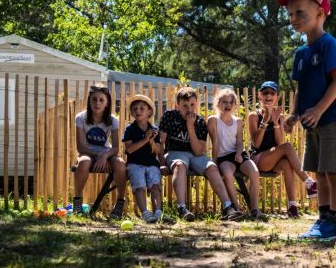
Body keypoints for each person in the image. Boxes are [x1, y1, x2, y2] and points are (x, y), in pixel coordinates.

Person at [279, 0, 336, 240]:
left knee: (333, 171)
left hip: (334, 118)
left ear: (320, 13)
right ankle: (323, 221)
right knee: (319, 172)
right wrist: (294, 114)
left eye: (299, 12)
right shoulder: (300, 53)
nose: (293, 19)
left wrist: (320, 109)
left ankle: (335, 222)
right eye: (290, 15)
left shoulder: (328, 44)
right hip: (314, 123)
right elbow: (302, 88)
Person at [159, 86, 244, 221]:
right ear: (177, 105)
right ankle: (182, 208)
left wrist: (190, 127)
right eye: (185, 106)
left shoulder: (199, 122)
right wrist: (162, 163)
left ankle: (228, 207)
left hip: (194, 155)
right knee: (180, 165)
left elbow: (198, 151)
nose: (189, 109)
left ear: (196, 103)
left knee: (211, 166)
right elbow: (160, 143)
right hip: (175, 153)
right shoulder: (169, 116)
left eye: (192, 105)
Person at [247, 81, 317, 218]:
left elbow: (279, 143)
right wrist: (265, 121)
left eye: (272, 93)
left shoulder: (281, 117)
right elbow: (256, 143)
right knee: (288, 147)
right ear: (259, 96)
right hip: (257, 159)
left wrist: (275, 122)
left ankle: (292, 206)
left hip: (273, 161)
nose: (268, 96)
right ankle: (309, 183)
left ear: (276, 97)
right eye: (265, 93)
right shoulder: (253, 116)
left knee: (286, 163)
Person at [207, 89, 266, 220]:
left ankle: (255, 209)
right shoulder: (213, 120)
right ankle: (236, 209)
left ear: (235, 104)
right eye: (224, 102)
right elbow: (215, 143)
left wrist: (239, 154)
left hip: (238, 154)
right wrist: (214, 162)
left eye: (231, 102)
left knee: (254, 172)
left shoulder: (238, 121)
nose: (228, 105)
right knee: (228, 174)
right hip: (224, 157)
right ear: (217, 104)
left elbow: (240, 141)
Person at [73, 85, 127, 219]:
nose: (97, 103)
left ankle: (120, 203)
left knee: (120, 164)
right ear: (89, 101)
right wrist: (98, 156)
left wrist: (105, 156)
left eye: (101, 100)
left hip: (107, 153)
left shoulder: (113, 120)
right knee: (84, 162)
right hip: (88, 152)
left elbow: (115, 147)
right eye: (94, 99)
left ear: (107, 102)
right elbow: (80, 147)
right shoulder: (81, 118)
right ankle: (77, 202)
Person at [123, 94, 171, 223]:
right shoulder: (129, 129)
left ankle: (158, 212)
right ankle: (145, 213)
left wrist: (151, 142)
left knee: (155, 186)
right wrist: (145, 139)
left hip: (152, 164)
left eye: (141, 108)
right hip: (135, 163)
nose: (138, 111)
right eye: (134, 109)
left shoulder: (154, 129)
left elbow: (157, 150)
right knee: (139, 187)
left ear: (149, 111)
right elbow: (129, 149)